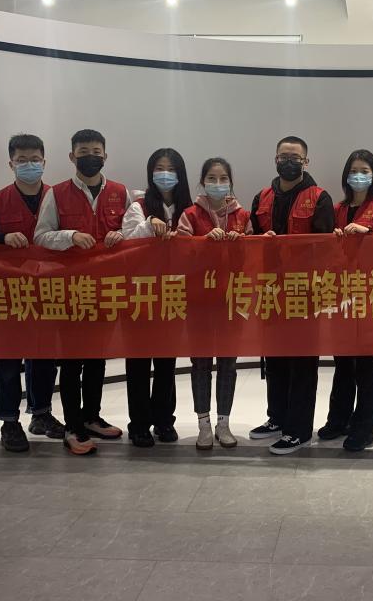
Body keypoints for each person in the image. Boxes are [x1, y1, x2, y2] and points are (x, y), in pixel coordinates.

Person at [34, 129, 126, 455]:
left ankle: (91, 417)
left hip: (107, 289)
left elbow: (134, 229)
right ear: (72, 157)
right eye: (84, 151)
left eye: (96, 151)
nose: (91, 156)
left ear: (105, 155)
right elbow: (41, 236)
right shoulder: (57, 194)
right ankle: (73, 426)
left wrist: (122, 235)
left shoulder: (120, 192)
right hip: (71, 290)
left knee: (98, 359)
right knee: (72, 362)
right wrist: (70, 236)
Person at [0, 133, 62, 453]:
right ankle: (9, 422)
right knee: (9, 360)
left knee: (45, 357)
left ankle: (41, 414)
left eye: (34, 160)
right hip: (9, 293)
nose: (29, 165)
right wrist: (2, 238)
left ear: (44, 162)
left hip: (49, 290)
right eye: (22, 160)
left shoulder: (58, 197)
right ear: (11, 164)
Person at [249, 135, 335, 454]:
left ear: (305, 162)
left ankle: (298, 430)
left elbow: (325, 249)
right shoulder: (262, 197)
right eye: (283, 157)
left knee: (301, 363)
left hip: (304, 294)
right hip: (271, 292)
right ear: (275, 160)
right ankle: (277, 418)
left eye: (295, 158)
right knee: (275, 359)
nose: (288, 162)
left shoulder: (320, 197)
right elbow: (251, 243)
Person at [317, 149, 373, 452]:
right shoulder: (335, 209)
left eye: (364, 171)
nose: (358, 176)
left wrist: (370, 233)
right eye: (353, 170)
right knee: (342, 361)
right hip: (339, 293)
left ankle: (364, 427)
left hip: (369, 295)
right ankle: (338, 420)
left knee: (365, 363)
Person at [176, 157, 252, 450]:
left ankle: (224, 423)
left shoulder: (242, 215)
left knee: (228, 363)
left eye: (223, 179)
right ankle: (204, 424)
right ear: (202, 182)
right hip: (198, 301)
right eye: (211, 178)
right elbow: (179, 255)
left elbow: (253, 259)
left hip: (231, 300)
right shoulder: (189, 215)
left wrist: (240, 243)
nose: (217, 184)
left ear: (230, 182)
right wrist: (202, 242)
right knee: (201, 363)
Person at [120, 147, 192, 447]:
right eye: (159, 168)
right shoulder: (138, 205)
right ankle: (138, 424)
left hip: (174, 293)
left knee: (166, 362)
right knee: (138, 363)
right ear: (150, 173)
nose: (165, 174)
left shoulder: (190, 208)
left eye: (171, 169)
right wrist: (150, 224)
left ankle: (164, 420)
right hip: (140, 293)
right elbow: (126, 240)